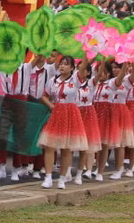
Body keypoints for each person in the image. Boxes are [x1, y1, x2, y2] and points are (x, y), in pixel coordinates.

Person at [38, 55, 88, 188]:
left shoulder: (76, 79)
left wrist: (88, 53)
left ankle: (62, 178)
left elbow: (83, 68)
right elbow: (43, 96)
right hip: (56, 113)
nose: (62, 66)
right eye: (61, 63)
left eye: (66, 64)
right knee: (50, 146)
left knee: (66, 149)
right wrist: (51, 106)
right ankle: (48, 177)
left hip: (70, 114)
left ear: (72, 68)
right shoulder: (53, 80)